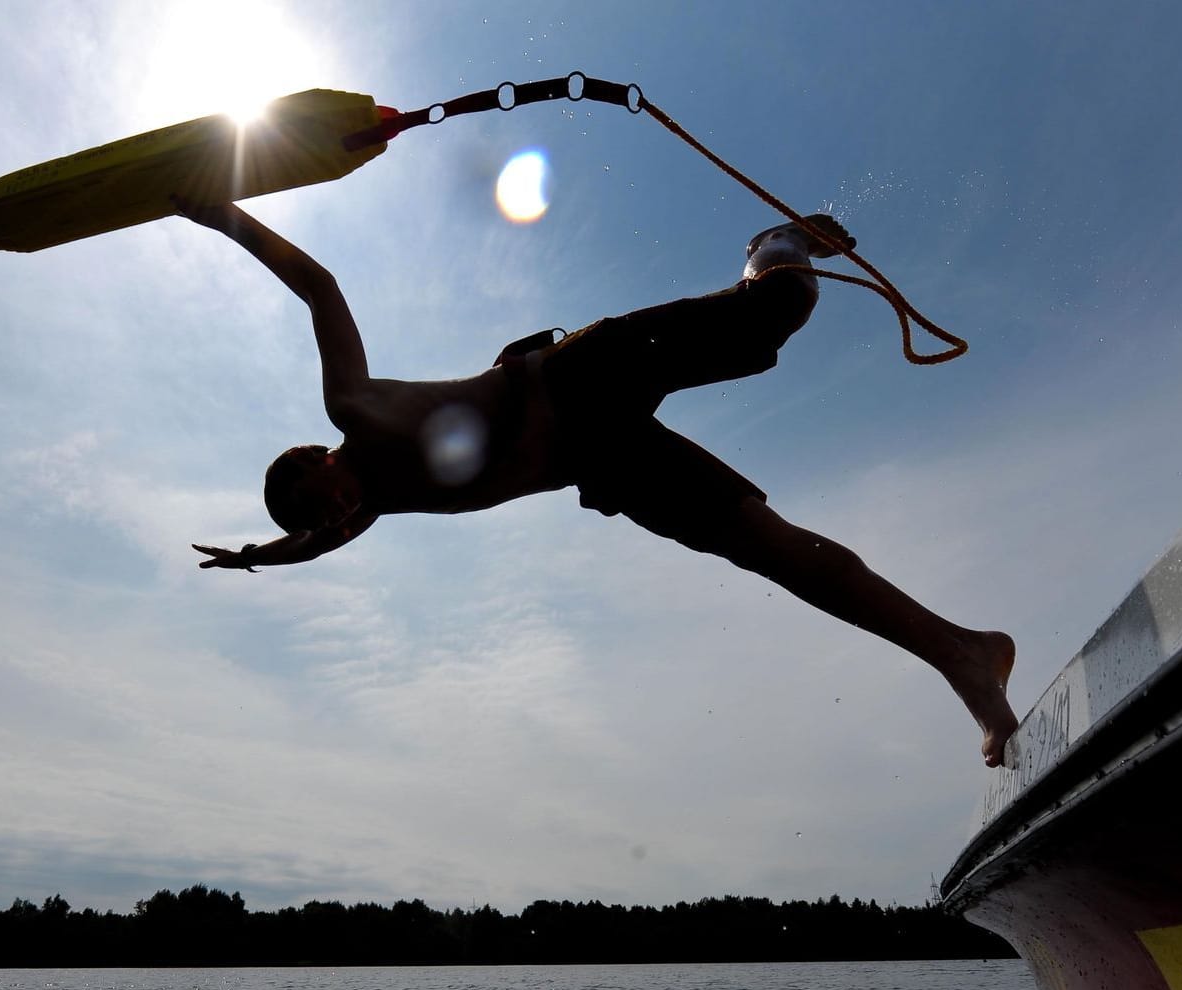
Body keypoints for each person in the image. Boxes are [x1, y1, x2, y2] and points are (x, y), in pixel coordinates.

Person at [178, 200, 1019, 767]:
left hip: (582, 373)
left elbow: (318, 285)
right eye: (324, 523)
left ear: (317, 461)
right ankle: (964, 655)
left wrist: (217, 214)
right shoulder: (374, 510)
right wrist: (258, 556)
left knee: (772, 314)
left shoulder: (354, 410)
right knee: (774, 551)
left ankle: (776, 245)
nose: (335, 519)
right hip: (604, 462)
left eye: (321, 502)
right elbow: (310, 545)